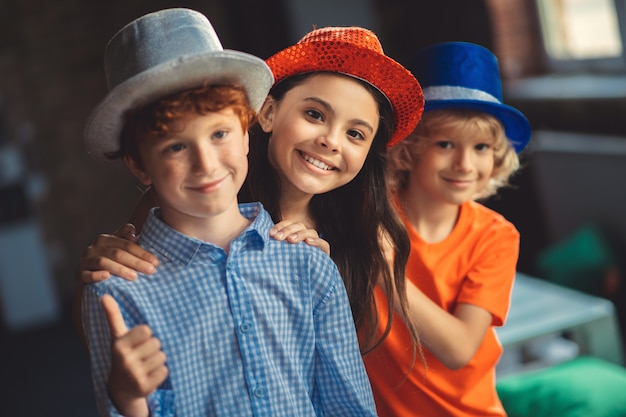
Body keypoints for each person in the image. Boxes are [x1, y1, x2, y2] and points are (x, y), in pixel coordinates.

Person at [81, 8, 377, 417]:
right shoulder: (115, 290)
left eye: (219, 134)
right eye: (175, 146)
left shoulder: (311, 265)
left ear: (245, 133)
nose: (206, 163)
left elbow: (348, 405)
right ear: (138, 164)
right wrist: (128, 399)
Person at [363, 41, 531, 417]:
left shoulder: (495, 236)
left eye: (482, 147)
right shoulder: (369, 212)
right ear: (411, 147)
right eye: (445, 144)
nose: (465, 164)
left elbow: (459, 350)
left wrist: (387, 271)